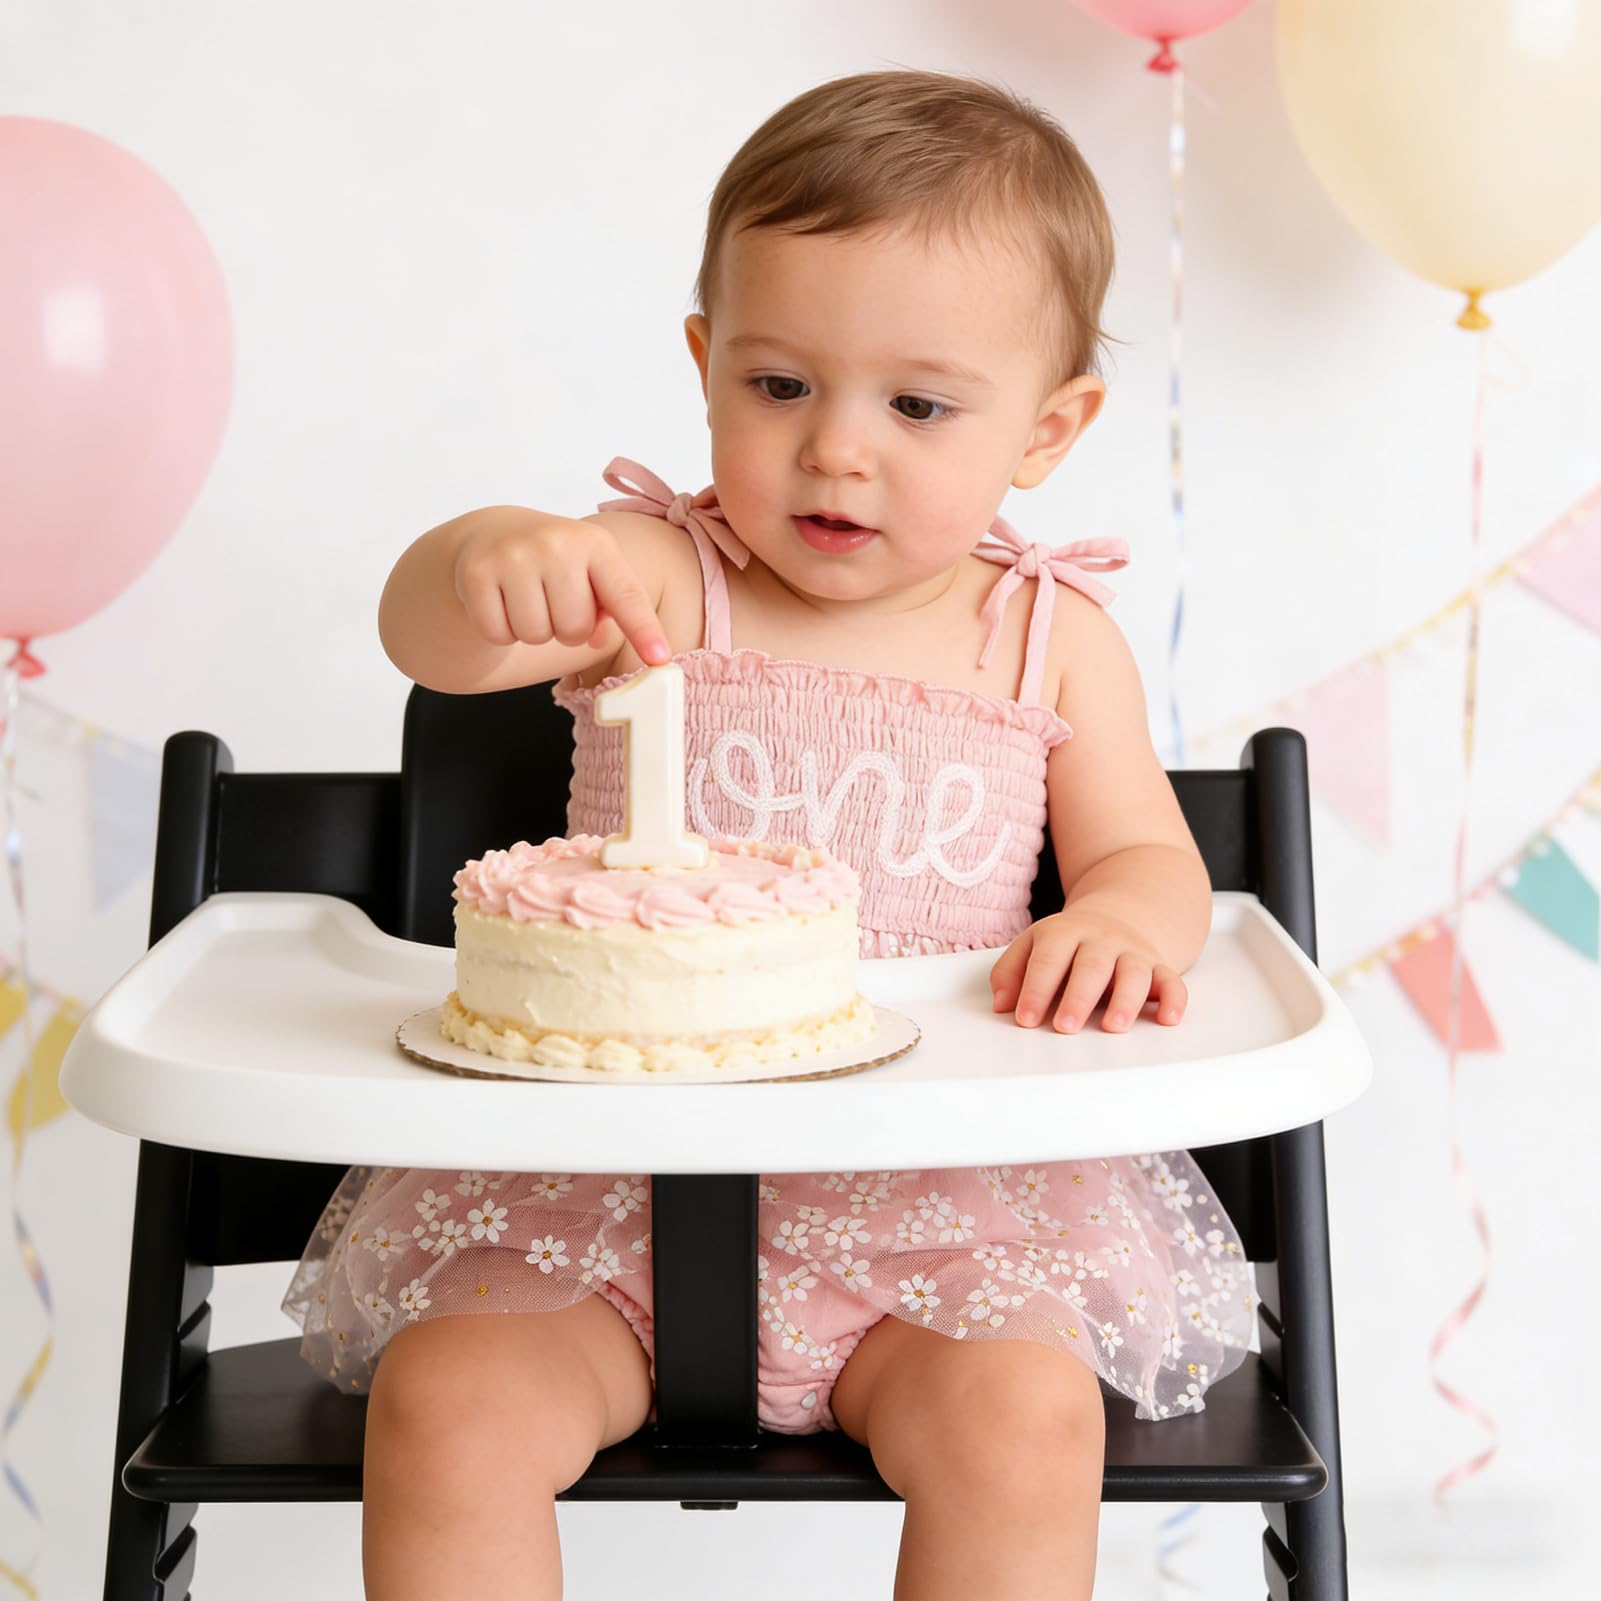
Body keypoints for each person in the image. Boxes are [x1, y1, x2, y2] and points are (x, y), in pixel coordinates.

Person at [281, 67, 1254, 1601]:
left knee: (1023, 1423)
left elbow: (1145, 854)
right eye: (780, 385)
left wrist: (1119, 923)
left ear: (1048, 428)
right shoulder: (662, 577)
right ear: (705, 364)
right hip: (602, 1202)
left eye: (916, 405)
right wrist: (483, 561)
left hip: (941, 1212)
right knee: (448, 1404)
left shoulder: (1048, 637)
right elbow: (436, 646)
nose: (835, 450)